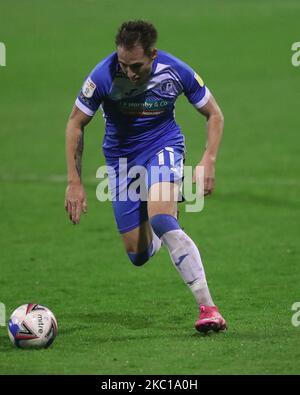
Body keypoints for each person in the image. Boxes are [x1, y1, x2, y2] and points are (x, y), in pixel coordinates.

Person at [65, 20, 227, 333]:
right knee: (137, 254)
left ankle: (208, 308)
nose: (128, 72)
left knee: (161, 219)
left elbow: (214, 114)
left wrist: (208, 158)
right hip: (121, 161)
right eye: (123, 65)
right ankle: (164, 227)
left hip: (162, 146)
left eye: (136, 66)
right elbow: (75, 124)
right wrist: (75, 182)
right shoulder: (103, 75)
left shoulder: (175, 70)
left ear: (152, 54)